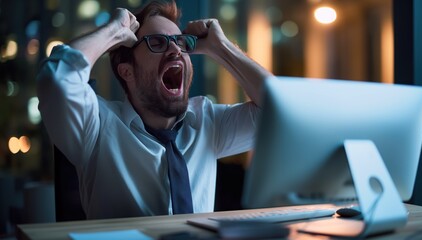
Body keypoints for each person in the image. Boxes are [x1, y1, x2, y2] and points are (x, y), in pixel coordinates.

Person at [37, 0, 272, 219]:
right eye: (157, 43)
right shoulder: (96, 126)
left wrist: (221, 48)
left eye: (181, 42)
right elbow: (57, 80)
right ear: (126, 71)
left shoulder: (208, 122)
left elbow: (279, 112)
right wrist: (114, 31)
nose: (176, 51)